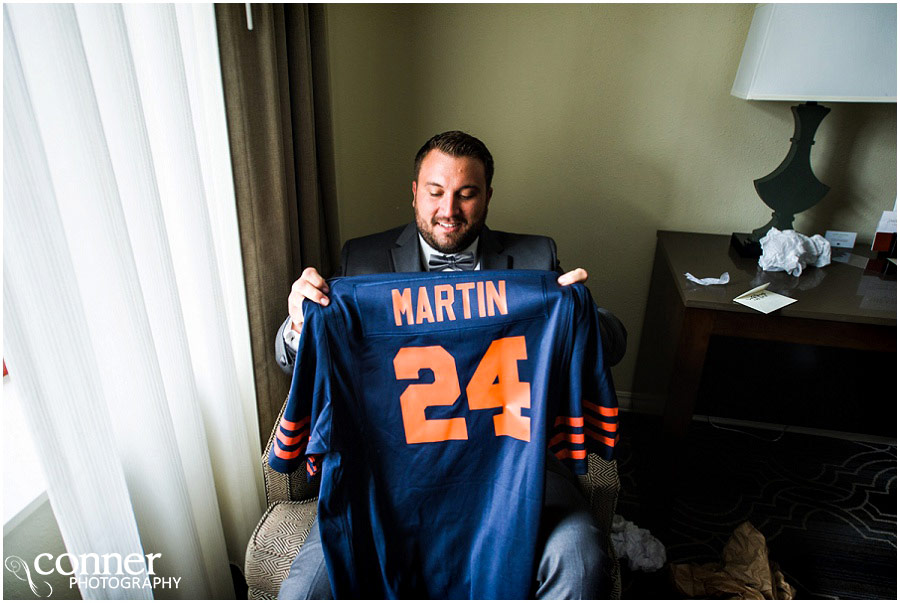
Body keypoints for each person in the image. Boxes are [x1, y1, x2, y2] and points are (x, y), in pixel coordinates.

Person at [274, 131, 626, 599]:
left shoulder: (535, 258)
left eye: (467, 193)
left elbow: (613, 343)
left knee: (580, 566)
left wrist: (581, 313)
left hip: (515, 471)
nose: (449, 210)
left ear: (487, 197)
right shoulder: (363, 262)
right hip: (386, 477)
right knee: (304, 593)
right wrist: (300, 322)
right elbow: (295, 361)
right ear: (414, 192)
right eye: (436, 192)